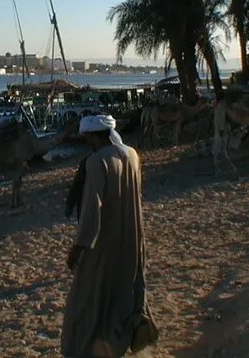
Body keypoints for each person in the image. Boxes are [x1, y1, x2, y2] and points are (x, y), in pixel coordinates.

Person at [61, 114, 157, 357]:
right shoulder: (133, 155)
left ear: (95, 136)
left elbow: (94, 208)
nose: (87, 142)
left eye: (88, 138)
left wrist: (80, 246)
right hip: (133, 236)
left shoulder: (96, 161)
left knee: (90, 300)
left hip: (104, 242)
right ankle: (128, 333)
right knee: (125, 291)